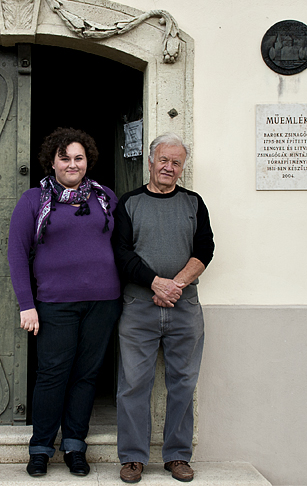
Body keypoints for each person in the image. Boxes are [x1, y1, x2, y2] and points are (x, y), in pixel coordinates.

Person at [7, 127, 122, 478]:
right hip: (55, 302)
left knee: (86, 376)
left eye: (78, 158)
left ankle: (75, 445)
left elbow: (121, 245)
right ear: (52, 162)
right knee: (52, 375)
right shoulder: (33, 200)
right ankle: (41, 447)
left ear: (87, 161)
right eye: (65, 158)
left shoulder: (105, 197)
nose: (72, 164)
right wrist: (27, 304)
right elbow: (16, 253)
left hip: (103, 301)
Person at [112, 133, 215, 483]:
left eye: (176, 163)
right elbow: (121, 253)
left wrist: (176, 286)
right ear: (151, 162)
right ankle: (132, 457)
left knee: (184, 382)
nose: (169, 167)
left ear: (181, 168)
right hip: (139, 306)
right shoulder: (129, 203)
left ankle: (177, 456)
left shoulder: (193, 203)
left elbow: (205, 250)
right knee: (133, 383)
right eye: (164, 160)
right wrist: (156, 283)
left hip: (184, 307)